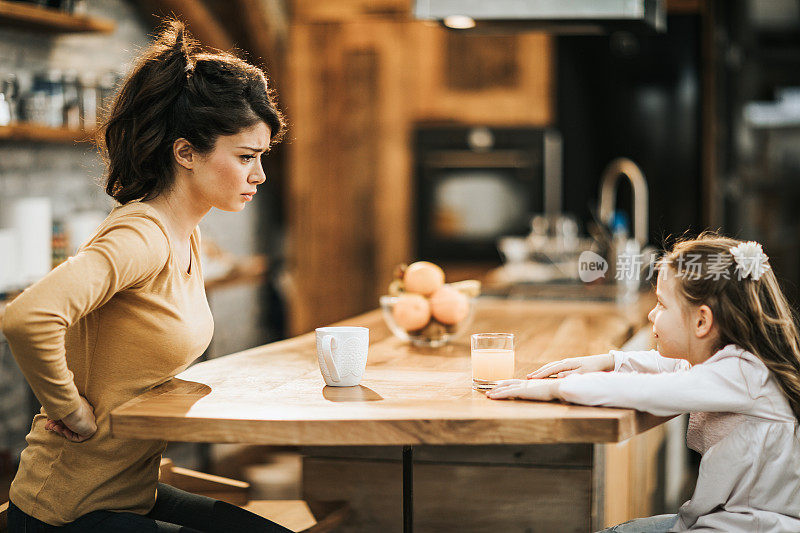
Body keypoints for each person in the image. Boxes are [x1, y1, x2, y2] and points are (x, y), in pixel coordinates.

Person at [2, 19, 292, 532]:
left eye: (261, 157)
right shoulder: (141, 235)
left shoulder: (188, 234)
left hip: (131, 494)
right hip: (66, 511)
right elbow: (28, 316)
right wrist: (69, 410)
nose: (259, 175)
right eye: (246, 157)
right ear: (185, 153)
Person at [487, 232, 800, 532]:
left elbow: (650, 388)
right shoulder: (736, 367)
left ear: (702, 321)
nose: (652, 314)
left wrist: (555, 389)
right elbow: (676, 369)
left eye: (662, 304)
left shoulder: (743, 373)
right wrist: (610, 361)